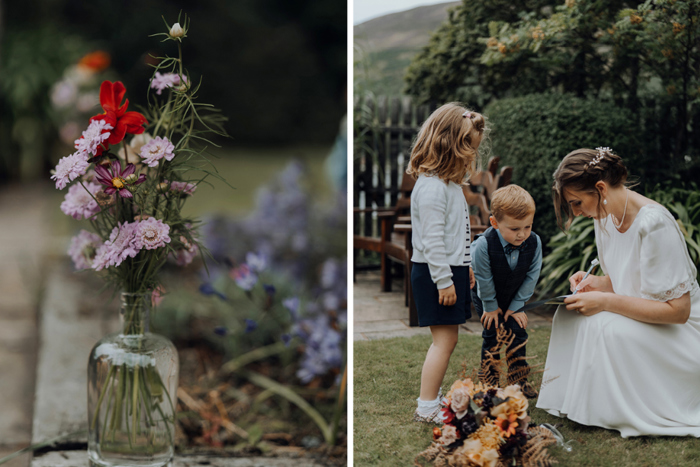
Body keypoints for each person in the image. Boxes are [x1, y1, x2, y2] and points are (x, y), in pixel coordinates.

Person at [536, 147, 700, 437]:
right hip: (649, 318)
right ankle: (584, 404)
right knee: (573, 316)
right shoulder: (606, 217)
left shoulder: (653, 224)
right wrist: (599, 283)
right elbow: (632, 278)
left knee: (603, 323)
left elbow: (678, 311)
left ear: (600, 188)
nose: (576, 212)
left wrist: (606, 301)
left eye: (577, 203)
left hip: (683, 334)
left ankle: (615, 407)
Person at [407, 102, 484, 423]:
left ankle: (430, 401)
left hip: (448, 270)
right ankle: (426, 406)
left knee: (447, 338)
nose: (471, 158)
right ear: (448, 145)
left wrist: (464, 266)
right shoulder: (432, 190)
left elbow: (456, 235)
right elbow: (432, 241)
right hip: (434, 272)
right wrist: (443, 280)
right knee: (445, 340)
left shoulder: (449, 186)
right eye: (468, 150)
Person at [470, 185, 542, 398]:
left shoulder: (534, 242)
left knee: (517, 333)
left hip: (514, 296)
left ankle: (518, 381)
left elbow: (531, 276)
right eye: (514, 229)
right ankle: (489, 383)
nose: (522, 235)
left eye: (527, 227)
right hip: (486, 296)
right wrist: (491, 308)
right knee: (492, 334)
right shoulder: (483, 245)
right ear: (495, 223)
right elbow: (483, 278)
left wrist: (517, 306)